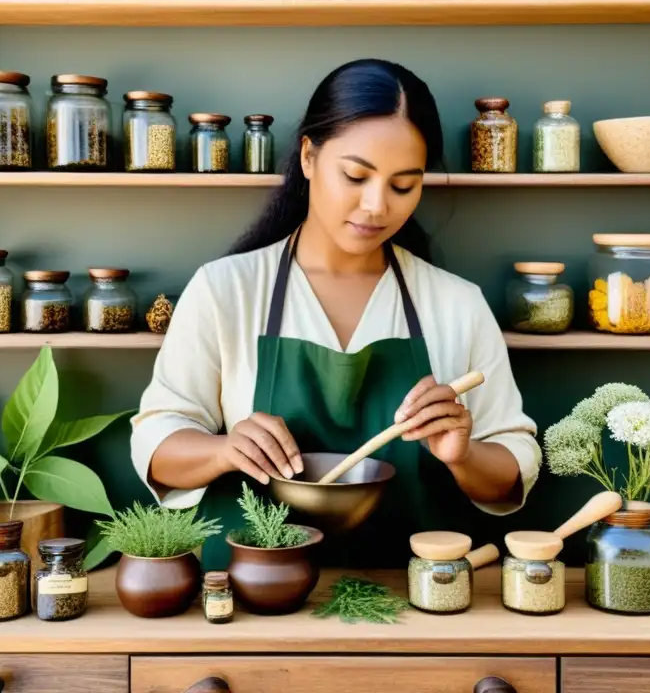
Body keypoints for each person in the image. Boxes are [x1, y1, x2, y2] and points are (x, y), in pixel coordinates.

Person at [130, 58, 540, 570]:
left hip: (412, 600)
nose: (375, 206)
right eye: (355, 175)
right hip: (255, 596)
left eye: (403, 185)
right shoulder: (226, 289)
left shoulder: (455, 304)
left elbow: (514, 466)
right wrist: (223, 450)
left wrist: (463, 455)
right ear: (308, 157)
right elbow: (155, 441)